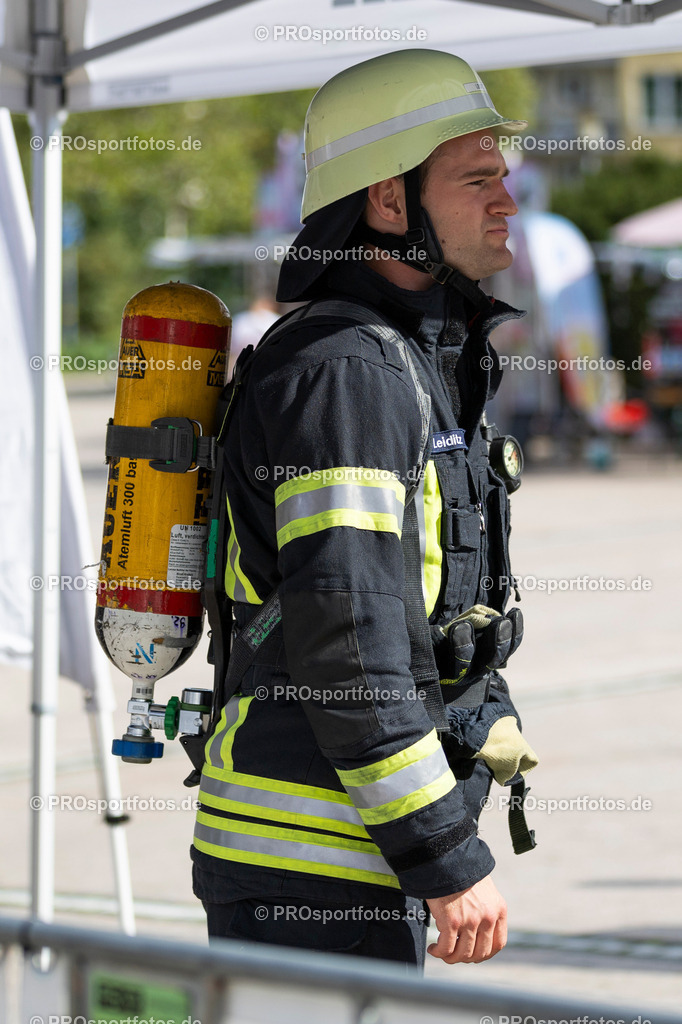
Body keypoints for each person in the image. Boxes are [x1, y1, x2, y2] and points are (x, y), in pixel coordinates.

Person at [191, 48, 538, 970]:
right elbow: (350, 641)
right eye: (477, 181)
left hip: (350, 863)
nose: (507, 201)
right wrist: (445, 857)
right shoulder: (346, 370)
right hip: (310, 871)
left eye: (502, 178)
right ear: (388, 203)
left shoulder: (405, 358)